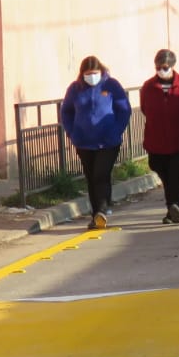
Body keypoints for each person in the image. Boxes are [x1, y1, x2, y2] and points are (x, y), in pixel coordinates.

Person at [61, 55, 132, 229]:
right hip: (84, 142)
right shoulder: (75, 89)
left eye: (95, 73)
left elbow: (124, 110)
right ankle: (96, 215)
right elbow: (66, 112)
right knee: (91, 177)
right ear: (82, 73)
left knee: (101, 174)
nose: (91, 76)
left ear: (101, 71)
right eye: (88, 73)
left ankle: (101, 209)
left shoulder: (111, 86)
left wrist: (115, 131)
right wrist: (72, 132)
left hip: (108, 142)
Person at [140, 49, 179, 224]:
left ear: (172, 66)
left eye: (165, 67)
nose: (161, 69)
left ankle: (175, 208)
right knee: (162, 171)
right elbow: (145, 108)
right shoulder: (148, 87)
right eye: (158, 66)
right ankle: (173, 207)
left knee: (177, 175)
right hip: (156, 142)